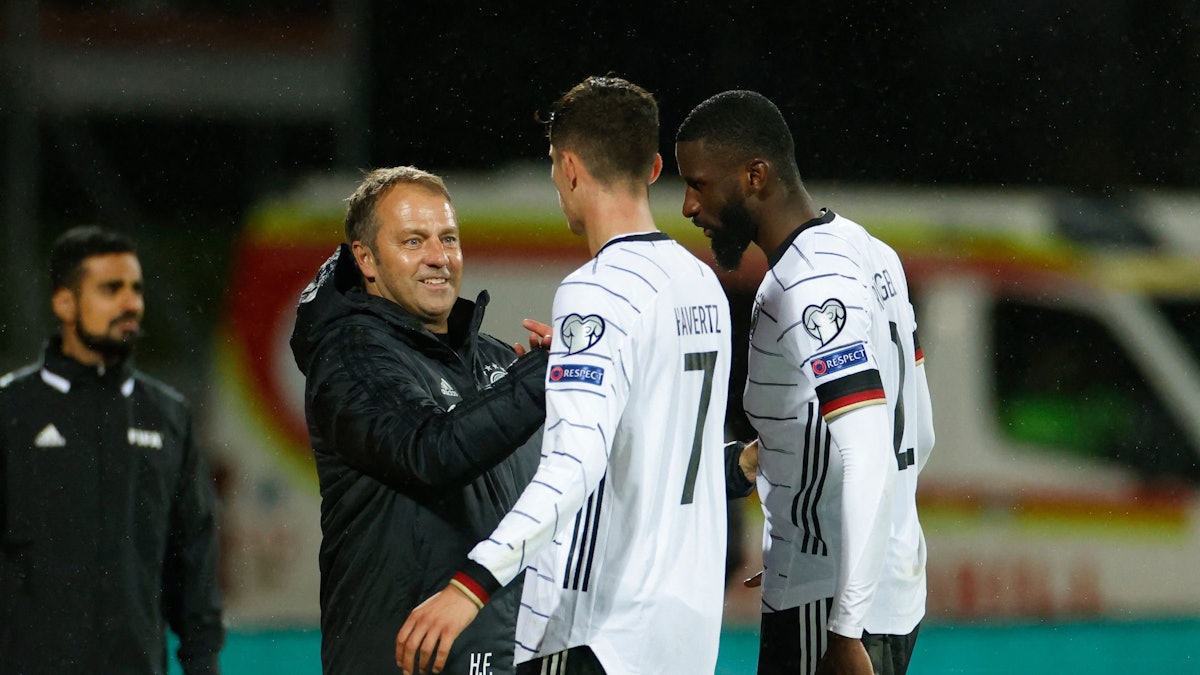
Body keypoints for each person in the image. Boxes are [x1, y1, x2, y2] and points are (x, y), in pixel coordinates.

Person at [395, 76, 734, 675]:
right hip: (686, 634)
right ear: (655, 167)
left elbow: (572, 466)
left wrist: (472, 584)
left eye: (554, 165)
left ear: (570, 168)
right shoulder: (700, 282)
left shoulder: (597, 291)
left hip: (598, 629)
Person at [675, 90, 936, 675]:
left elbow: (869, 454)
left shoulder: (811, 286)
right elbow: (920, 433)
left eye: (699, 184)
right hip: (883, 587)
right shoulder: (872, 252)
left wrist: (841, 620)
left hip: (833, 606)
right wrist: (801, 522)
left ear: (755, 176)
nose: (689, 205)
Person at [289, 166, 552, 675]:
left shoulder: (496, 361)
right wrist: (545, 375)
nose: (439, 256)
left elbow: (562, 490)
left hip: (500, 660)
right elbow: (430, 451)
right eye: (413, 241)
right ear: (366, 258)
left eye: (448, 238)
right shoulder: (350, 356)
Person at [0, 226, 224, 674]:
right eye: (111, 289)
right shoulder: (11, 411)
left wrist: (203, 663)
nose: (131, 303)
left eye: (136, 289)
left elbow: (193, 557)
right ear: (65, 304)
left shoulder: (167, 416)